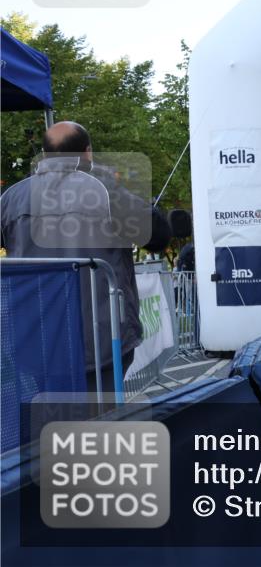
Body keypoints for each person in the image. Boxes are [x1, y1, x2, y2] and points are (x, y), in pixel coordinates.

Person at [0, 121, 171, 395]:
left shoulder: (11, 198)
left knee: (51, 411)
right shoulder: (105, 191)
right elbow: (159, 236)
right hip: (100, 339)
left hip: (38, 338)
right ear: (88, 152)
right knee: (99, 414)